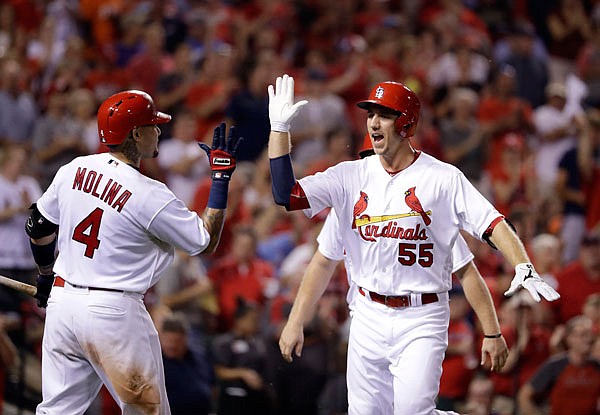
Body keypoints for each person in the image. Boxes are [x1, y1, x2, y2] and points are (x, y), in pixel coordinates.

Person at [267, 74, 560, 415]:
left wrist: (522, 264)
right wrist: (279, 130)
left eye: (384, 114)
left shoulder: (442, 179)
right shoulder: (349, 177)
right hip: (366, 312)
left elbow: (492, 224)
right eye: (370, 114)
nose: (374, 121)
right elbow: (286, 196)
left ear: (407, 123)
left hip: (422, 315)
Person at [25, 89, 242, 414]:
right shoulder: (149, 193)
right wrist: (221, 179)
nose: (158, 131)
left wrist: (45, 276)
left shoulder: (73, 169)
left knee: (56, 411)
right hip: (115, 312)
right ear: (136, 134)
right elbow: (206, 242)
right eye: (152, 126)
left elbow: (38, 225)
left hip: (63, 304)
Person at [517, 315, 600, 415]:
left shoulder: (596, 366)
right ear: (569, 338)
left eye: (590, 335)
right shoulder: (556, 365)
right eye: (583, 335)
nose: (588, 339)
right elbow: (524, 396)